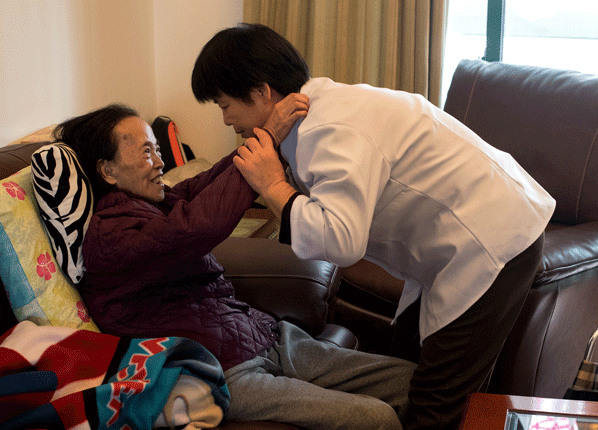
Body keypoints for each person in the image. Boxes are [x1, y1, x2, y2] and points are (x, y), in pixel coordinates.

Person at [191, 23, 557, 430]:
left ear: (260, 92)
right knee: (406, 362)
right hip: (468, 236)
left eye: (224, 105)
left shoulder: (326, 129)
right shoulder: (316, 113)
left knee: (436, 406)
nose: (226, 120)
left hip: (495, 239)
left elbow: (341, 241)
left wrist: (273, 185)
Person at [57, 103, 416, 430]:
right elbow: (198, 225)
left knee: (413, 382)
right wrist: (270, 139)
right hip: (225, 370)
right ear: (107, 170)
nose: (160, 161)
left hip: (261, 336)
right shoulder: (112, 236)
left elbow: (207, 182)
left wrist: (264, 141)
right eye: (146, 152)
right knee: (376, 419)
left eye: (157, 148)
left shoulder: (155, 204)